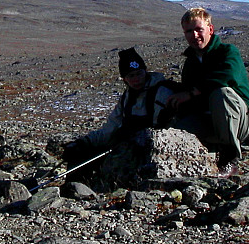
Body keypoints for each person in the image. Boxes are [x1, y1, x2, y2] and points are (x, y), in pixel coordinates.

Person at [61, 47, 178, 182]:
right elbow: (110, 128)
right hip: (127, 147)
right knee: (82, 153)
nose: (136, 79)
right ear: (124, 79)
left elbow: (163, 131)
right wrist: (84, 142)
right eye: (131, 76)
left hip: (151, 152)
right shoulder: (127, 97)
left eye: (139, 73)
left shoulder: (162, 92)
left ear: (145, 71)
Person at [167, 7, 249, 165]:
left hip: (239, 120)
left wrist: (193, 92)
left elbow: (227, 76)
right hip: (208, 119)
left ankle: (229, 157)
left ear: (210, 29)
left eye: (198, 29)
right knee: (178, 131)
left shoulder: (228, 52)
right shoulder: (190, 62)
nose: (194, 35)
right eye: (189, 31)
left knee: (221, 94)